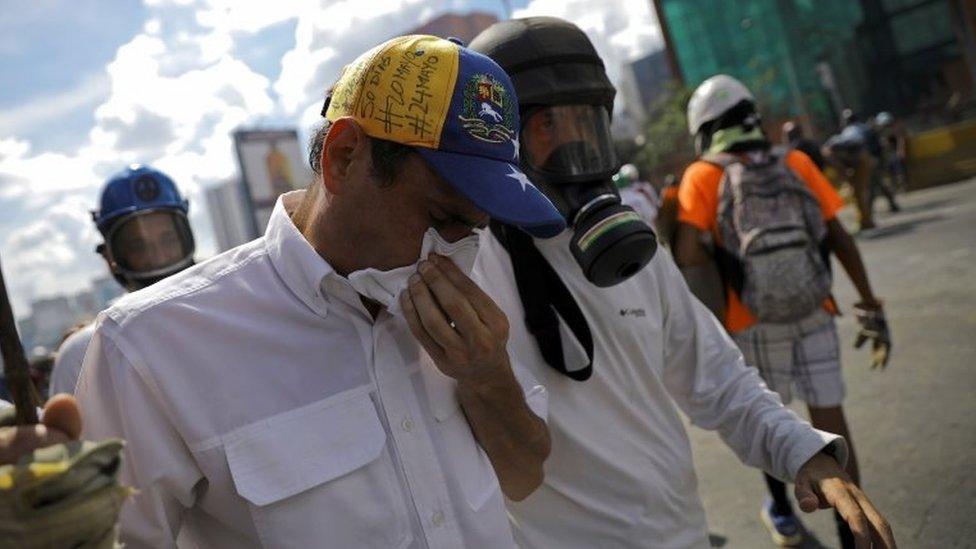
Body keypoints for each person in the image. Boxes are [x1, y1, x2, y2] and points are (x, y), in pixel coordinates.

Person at [74, 35, 563, 548]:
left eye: (476, 228)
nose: (456, 251)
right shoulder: (152, 347)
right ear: (345, 157)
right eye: (441, 217)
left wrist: (488, 377)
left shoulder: (469, 284)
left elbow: (524, 478)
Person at [469, 18, 896, 549]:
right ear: (501, 143)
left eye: (585, 125)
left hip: (683, 534)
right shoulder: (466, 270)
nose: (572, 148)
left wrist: (804, 452)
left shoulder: (638, 255)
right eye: (546, 128)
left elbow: (720, 380)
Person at [675, 74, 893, 547]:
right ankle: (850, 528)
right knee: (829, 414)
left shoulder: (704, 175)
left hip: (750, 318)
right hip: (815, 306)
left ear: (705, 127)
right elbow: (837, 233)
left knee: (768, 416)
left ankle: (782, 510)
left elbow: (689, 255)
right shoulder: (794, 161)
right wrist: (868, 298)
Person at [49, 166, 197, 397]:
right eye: (138, 246)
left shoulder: (233, 312)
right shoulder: (83, 356)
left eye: (169, 240)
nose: (158, 258)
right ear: (110, 257)